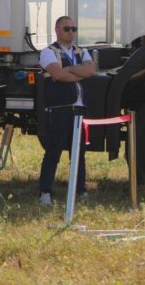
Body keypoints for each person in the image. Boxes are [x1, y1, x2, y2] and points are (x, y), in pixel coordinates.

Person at [37, 16, 95, 206]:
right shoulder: (48, 52)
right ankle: (45, 192)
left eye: (74, 29)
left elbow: (90, 71)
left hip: (79, 110)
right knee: (53, 152)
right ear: (57, 30)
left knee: (79, 154)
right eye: (67, 28)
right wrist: (77, 73)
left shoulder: (82, 51)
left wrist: (69, 69)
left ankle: (80, 190)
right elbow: (58, 74)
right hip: (59, 110)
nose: (71, 32)